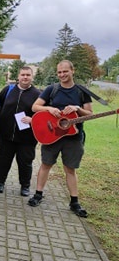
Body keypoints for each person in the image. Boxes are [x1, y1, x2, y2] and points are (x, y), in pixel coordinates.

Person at [28, 60, 92, 218]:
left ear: (72, 71)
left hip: (73, 136)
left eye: (65, 71)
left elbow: (90, 114)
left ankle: (74, 202)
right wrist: (49, 108)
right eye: (59, 72)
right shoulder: (52, 89)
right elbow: (35, 107)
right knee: (46, 164)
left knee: (70, 169)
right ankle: (38, 194)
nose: (62, 75)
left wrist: (77, 108)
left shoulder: (82, 91)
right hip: (52, 135)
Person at [0, 66, 41, 196]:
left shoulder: (38, 95)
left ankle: (25, 185)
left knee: (25, 162)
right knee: (4, 159)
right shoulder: (8, 90)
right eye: (23, 75)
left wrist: (32, 119)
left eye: (28, 75)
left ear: (32, 77)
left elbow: (43, 116)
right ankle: (0, 182)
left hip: (27, 137)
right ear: (18, 77)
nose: (25, 77)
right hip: (6, 135)